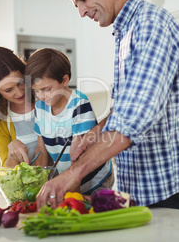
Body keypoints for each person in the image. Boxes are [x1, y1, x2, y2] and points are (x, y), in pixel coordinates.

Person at [36, 0, 179, 210]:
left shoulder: (151, 24)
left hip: (165, 192)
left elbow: (133, 118)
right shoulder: (126, 32)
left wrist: (74, 173)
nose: (81, 12)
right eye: (77, 5)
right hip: (140, 192)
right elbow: (124, 108)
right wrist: (93, 133)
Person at [25, 48, 113, 195]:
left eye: (47, 89)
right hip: (68, 180)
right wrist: (40, 184)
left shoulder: (79, 104)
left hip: (94, 180)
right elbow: (41, 149)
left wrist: (74, 194)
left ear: (64, 80)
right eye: (36, 91)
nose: (41, 96)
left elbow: (81, 154)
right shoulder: (40, 108)